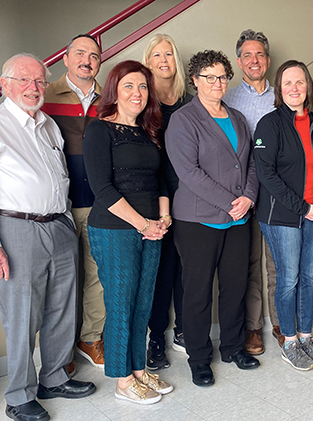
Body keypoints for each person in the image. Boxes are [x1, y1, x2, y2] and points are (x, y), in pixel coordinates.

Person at [0, 53, 96, 421]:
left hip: (59, 224)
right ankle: (19, 396)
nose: (33, 87)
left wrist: (65, 219)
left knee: (63, 308)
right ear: (5, 85)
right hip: (15, 228)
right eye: (24, 80)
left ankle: (54, 378)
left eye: (39, 81)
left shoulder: (49, 125)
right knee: (21, 317)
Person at [167, 50, 261, 387]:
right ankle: (198, 358)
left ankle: (233, 347)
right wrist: (231, 202)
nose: (217, 82)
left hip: (238, 219)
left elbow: (251, 163)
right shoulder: (183, 120)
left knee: (235, 287)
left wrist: (248, 197)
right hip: (198, 220)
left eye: (222, 76)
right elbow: (188, 173)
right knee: (198, 293)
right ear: (195, 80)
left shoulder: (237, 117)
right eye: (209, 77)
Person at [83, 60, 173, 404]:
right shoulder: (99, 130)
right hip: (115, 230)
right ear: (114, 91)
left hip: (151, 229)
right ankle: (123, 381)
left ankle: (138, 370)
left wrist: (163, 219)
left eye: (143, 87)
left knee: (143, 302)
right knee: (121, 304)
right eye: (129, 86)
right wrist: (144, 224)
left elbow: (160, 181)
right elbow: (102, 189)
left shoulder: (148, 131)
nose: (138, 93)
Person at [253, 60, 313, 371]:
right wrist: (305, 208)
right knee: (288, 279)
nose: (294, 88)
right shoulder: (269, 124)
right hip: (282, 217)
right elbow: (267, 174)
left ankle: (305, 337)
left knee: (308, 277)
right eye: (287, 83)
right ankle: (289, 341)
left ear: (308, 87)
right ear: (280, 88)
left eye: (299, 82)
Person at [42, 34, 105, 371]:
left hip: (99, 203)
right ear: (65, 59)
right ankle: (60, 353)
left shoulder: (109, 99)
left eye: (93, 55)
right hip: (58, 207)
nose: (87, 60)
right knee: (61, 283)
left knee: (98, 274)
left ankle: (90, 338)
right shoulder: (44, 95)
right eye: (80, 53)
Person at [223, 29, 280, 353]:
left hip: (277, 195)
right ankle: (253, 328)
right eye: (247, 55)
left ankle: (282, 324)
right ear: (239, 62)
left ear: (268, 60)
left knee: (278, 264)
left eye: (259, 54)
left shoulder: (282, 96)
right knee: (248, 265)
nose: (254, 60)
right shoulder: (227, 99)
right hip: (242, 194)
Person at [141, 33, 193, 371]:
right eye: (157, 55)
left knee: (188, 270)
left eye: (169, 54)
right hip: (154, 200)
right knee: (161, 273)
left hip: (189, 198)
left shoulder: (191, 102)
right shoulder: (142, 103)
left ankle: (185, 330)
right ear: (148, 62)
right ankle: (156, 338)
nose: (163, 60)